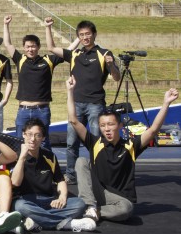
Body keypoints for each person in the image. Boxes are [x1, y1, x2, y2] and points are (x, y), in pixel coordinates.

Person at [67, 76, 179, 223]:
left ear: (120, 126)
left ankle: (92, 212)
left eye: (111, 124)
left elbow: (152, 131)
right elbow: (74, 120)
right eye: (103, 126)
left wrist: (166, 103)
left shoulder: (131, 146)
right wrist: (70, 91)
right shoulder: (95, 143)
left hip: (118, 198)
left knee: (126, 209)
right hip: (97, 192)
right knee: (81, 161)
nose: (107, 129)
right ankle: (90, 206)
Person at [47, 18, 121, 182]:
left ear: (94, 34)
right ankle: (71, 175)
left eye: (88, 34)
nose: (85, 37)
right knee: (71, 142)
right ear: (78, 37)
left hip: (95, 104)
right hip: (76, 104)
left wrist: (112, 66)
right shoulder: (75, 54)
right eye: (81, 35)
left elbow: (116, 77)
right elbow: (51, 48)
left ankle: (97, 173)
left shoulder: (104, 53)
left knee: (95, 141)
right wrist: (48, 27)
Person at [3, 15, 77, 148]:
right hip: (23, 110)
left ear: (38, 47)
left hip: (42, 110)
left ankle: (46, 168)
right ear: (24, 48)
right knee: (21, 142)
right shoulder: (20, 60)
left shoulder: (48, 60)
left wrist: (79, 38)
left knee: (43, 143)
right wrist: (6, 25)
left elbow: (69, 51)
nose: (30, 49)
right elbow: (7, 44)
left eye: (33, 46)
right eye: (27, 47)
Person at [11, 118, 95, 232]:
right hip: (27, 200)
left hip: (49, 200)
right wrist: (22, 157)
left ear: (43, 138)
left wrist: (62, 197)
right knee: (19, 207)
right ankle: (67, 224)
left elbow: (60, 180)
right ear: (23, 135)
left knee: (79, 204)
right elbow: (15, 182)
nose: (32, 139)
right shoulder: (15, 156)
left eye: (37, 135)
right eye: (29, 134)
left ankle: (37, 220)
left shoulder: (49, 156)